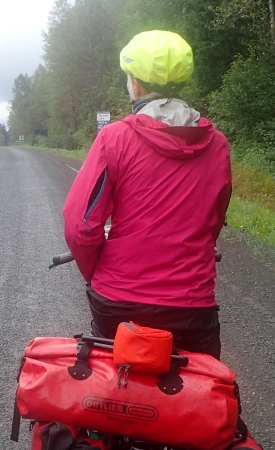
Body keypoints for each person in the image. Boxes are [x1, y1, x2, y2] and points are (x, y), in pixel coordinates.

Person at [62, 30, 232, 359]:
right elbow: (213, 220)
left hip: (118, 301)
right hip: (192, 305)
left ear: (136, 85)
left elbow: (81, 226)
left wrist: (95, 270)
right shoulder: (217, 145)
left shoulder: (115, 139)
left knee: (110, 385)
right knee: (202, 391)